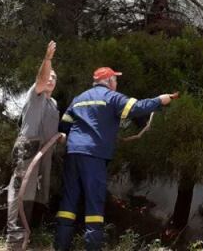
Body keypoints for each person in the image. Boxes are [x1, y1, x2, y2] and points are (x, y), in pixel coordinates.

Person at [55, 67, 178, 251]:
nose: (117, 83)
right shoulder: (111, 97)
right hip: (94, 155)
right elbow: (136, 108)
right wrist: (160, 100)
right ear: (109, 81)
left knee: (69, 201)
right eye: (116, 80)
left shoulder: (78, 99)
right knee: (94, 203)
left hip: (73, 153)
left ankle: (60, 246)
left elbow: (64, 125)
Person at [6, 41, 62, 251]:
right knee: (22, 194)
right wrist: (47, 60)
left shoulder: (53, 103)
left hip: (45, 154)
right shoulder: (35, 93)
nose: (51, 80)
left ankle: (30, 240)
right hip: (29, 149)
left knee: (39, 197)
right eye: (49, 76)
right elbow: (41, 79)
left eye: (54, 78)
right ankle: (15, 242)